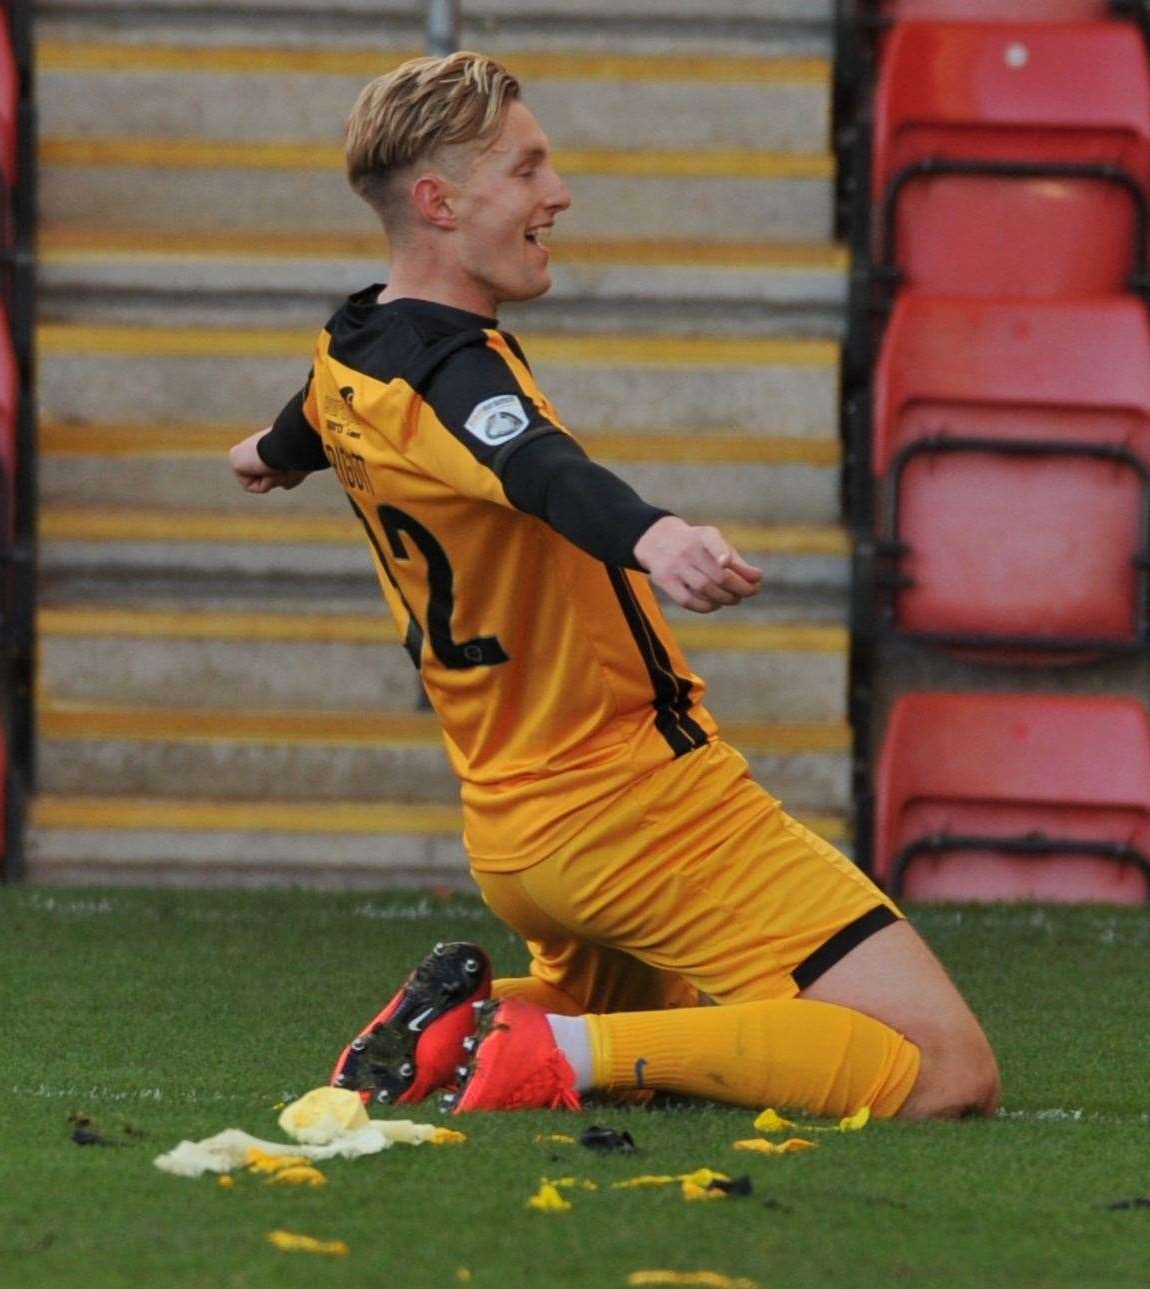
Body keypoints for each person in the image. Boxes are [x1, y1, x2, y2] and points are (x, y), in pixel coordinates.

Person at [226, 52, 999, 1121]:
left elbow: (318, 405)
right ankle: (554, 1059)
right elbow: (543, 469)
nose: (560, 193)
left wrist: (270, 449)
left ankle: (467, 1022)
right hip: (633, 803)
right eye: (529, 168)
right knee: (945, 1070)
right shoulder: (457, 377)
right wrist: (660, 536)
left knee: (674, 1006)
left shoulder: (357, 336)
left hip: (515, 828)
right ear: (440, 203)